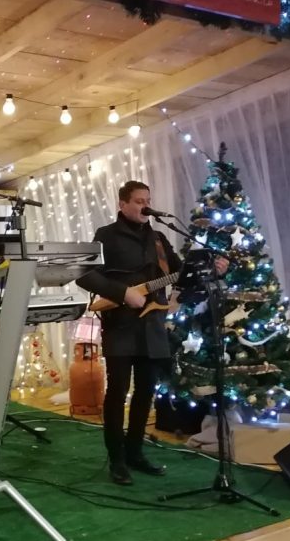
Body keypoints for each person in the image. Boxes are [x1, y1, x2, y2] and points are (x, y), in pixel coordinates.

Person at [77, 181, 226, 485]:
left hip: (153, 326)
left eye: (147, 200)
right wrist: (123, 293)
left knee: (146, 392)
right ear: (122, 204)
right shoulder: (106, 235)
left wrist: (211, 271)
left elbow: (182, 276)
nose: (145, 206)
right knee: (117, 392)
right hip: (121, 325)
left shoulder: (158, 238)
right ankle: (116, 459)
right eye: (138, 201)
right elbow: (85, 275)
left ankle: (135, 452)